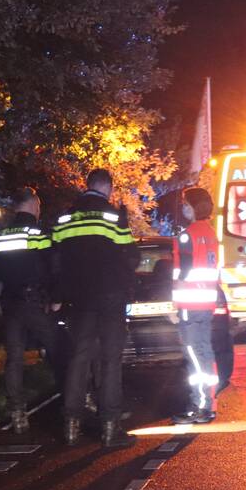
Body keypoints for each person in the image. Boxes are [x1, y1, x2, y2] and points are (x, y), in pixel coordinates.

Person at [52, 168, 139, 448]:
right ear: (108, 189)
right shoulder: (113, 216)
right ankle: (111, 429)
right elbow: (131, 256)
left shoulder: (65, 218)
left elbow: (55, 261)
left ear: (86, 186)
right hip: (110, 298)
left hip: (78, 300)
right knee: (110, 361)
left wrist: (59, 294)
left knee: (79, 358)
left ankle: (70, 426)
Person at [0, 187, 65, 434]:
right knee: (58, 350)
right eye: (38, 207)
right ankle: (73, 400)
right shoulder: (38, 233)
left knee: (14, 358)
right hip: (35, 302)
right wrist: (56, 298)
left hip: (9, 303)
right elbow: (52, 267)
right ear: (32, 206)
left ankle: (18, 413)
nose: (39, 211)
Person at [170, 187, 221, 424]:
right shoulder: (210, 233)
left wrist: (174, 304)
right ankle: (207, 403)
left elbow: (184, 272)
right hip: (206, 302)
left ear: (192, 207)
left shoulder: (187, 235)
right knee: (204, 352)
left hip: (190, 302)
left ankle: (199, 405)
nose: (183, 208)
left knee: (193, 354)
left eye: (185, 204)